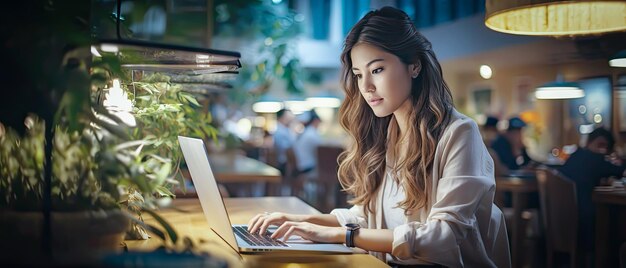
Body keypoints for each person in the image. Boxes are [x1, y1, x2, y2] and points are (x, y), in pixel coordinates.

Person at [247, 7, 510, 267]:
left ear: (414, 66)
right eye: (359, 74)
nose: (366, 87)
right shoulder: (384, 133)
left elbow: (443, 237)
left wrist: (344, 235)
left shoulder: (459, 133)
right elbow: (364, 217)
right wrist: (300, 222)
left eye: (377, 70)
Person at [559, 127, 626, 259]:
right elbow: (619, 170)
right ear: (590, 142)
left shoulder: (576, 156)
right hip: (585, 220)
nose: (602, 150)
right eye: (600, 145)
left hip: (564, 218)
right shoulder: (593, 159)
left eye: (605, 147)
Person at [293, 110, 322, 175]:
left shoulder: (306, 132)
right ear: (315, 121)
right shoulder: (311, 134)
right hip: (308, 168)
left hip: (301, 165)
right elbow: (321, 151)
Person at [272, 108, 296, 176]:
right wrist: (294, 164)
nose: (291, 118)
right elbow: (287, 150)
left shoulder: (284, 130)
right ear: (282, 117)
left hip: (285, 163)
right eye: (288, 116)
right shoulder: (281, 132)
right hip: (284, 163)